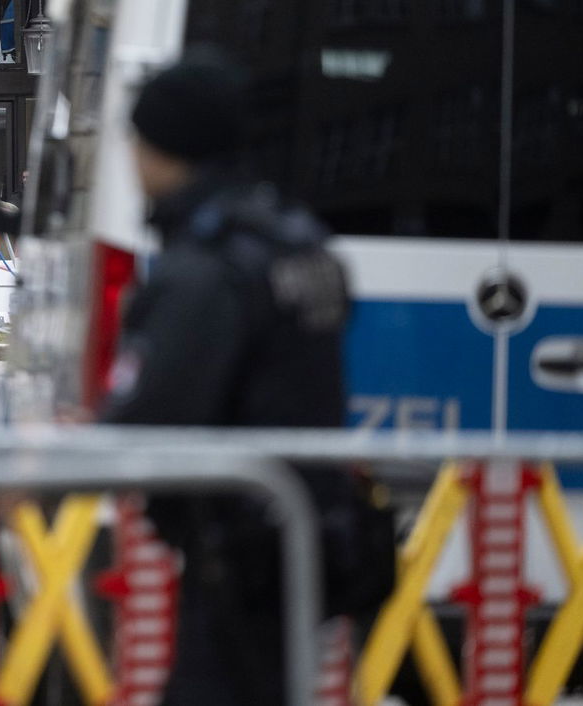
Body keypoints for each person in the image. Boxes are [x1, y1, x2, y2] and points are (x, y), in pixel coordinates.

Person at [96, 51, 350, 706]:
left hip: (242, 548)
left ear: (162, 147)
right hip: (306, 537)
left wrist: (51, 463)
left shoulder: (206, 268)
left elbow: (154, 411)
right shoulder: (297, 241)